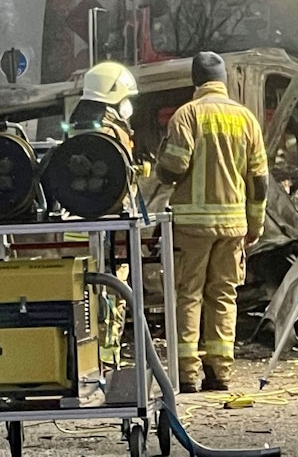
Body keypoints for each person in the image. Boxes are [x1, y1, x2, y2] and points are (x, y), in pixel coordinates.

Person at [156, 51, 267, 394]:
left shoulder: (187, 115)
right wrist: (256, 225)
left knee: (188, 294)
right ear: (224, 80)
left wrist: (161, 165)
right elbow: (259, 180)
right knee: (223, 295)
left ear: (195, 81)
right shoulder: (246, 119)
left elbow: (174, 167)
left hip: (192, 226)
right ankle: (220, 373)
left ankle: (187, 375)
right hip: (234, 225)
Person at [66, 61, 138, 366]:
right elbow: (120, 178)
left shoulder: (78, 126)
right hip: (109, 227)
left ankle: (86, 358)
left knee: (83, 295)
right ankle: (108, 359)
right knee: (111, 292)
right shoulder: (110, 130)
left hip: (78, 224)